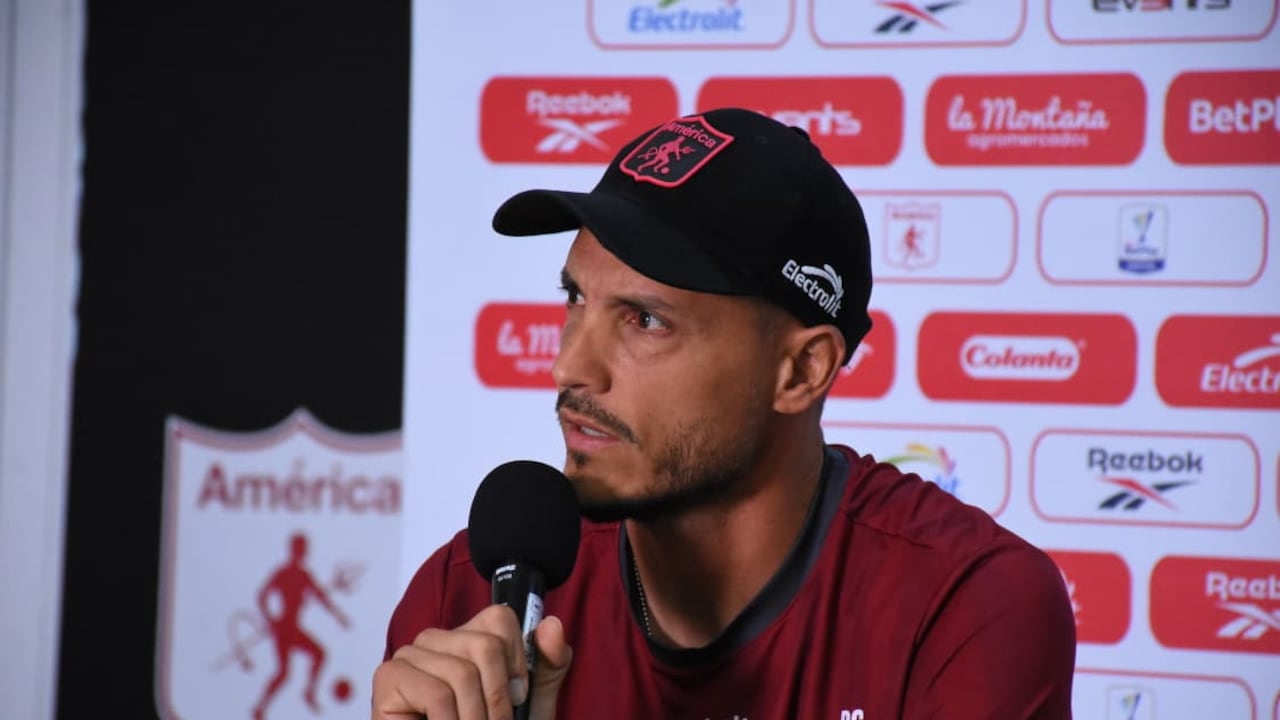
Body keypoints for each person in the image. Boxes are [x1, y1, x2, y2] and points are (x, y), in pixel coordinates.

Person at [373, 107, 1076, 719]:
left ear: (801, 371)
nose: (568, 368)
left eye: (645, 320)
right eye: (575, 300)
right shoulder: (471, 599)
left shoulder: (965, 605)